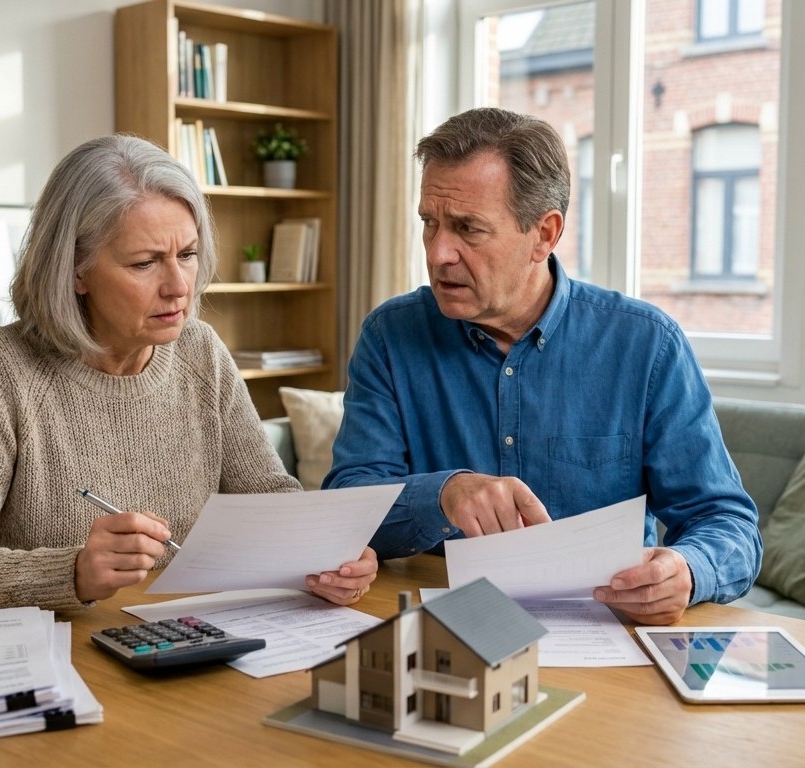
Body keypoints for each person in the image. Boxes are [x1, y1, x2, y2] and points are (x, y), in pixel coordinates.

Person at [0, 134, 376, 612]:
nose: (178, 287)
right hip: (60, 656)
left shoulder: (200, 352)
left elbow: (270, 501)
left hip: (182, 641)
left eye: (187, 255)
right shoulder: (1, 367)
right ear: (74, 271)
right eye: (145, 263)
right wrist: (72, 572)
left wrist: (328, 556)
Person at [322, 108, 760, 625]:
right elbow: (347, 509)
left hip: (603, 631)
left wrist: (688, 569)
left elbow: (725, 520)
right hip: (444, 629)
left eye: (468, 228)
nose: (439, 252)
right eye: (429, 223)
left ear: (544, 235)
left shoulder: (645, 345)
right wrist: (442, 494)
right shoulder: (390, 336)